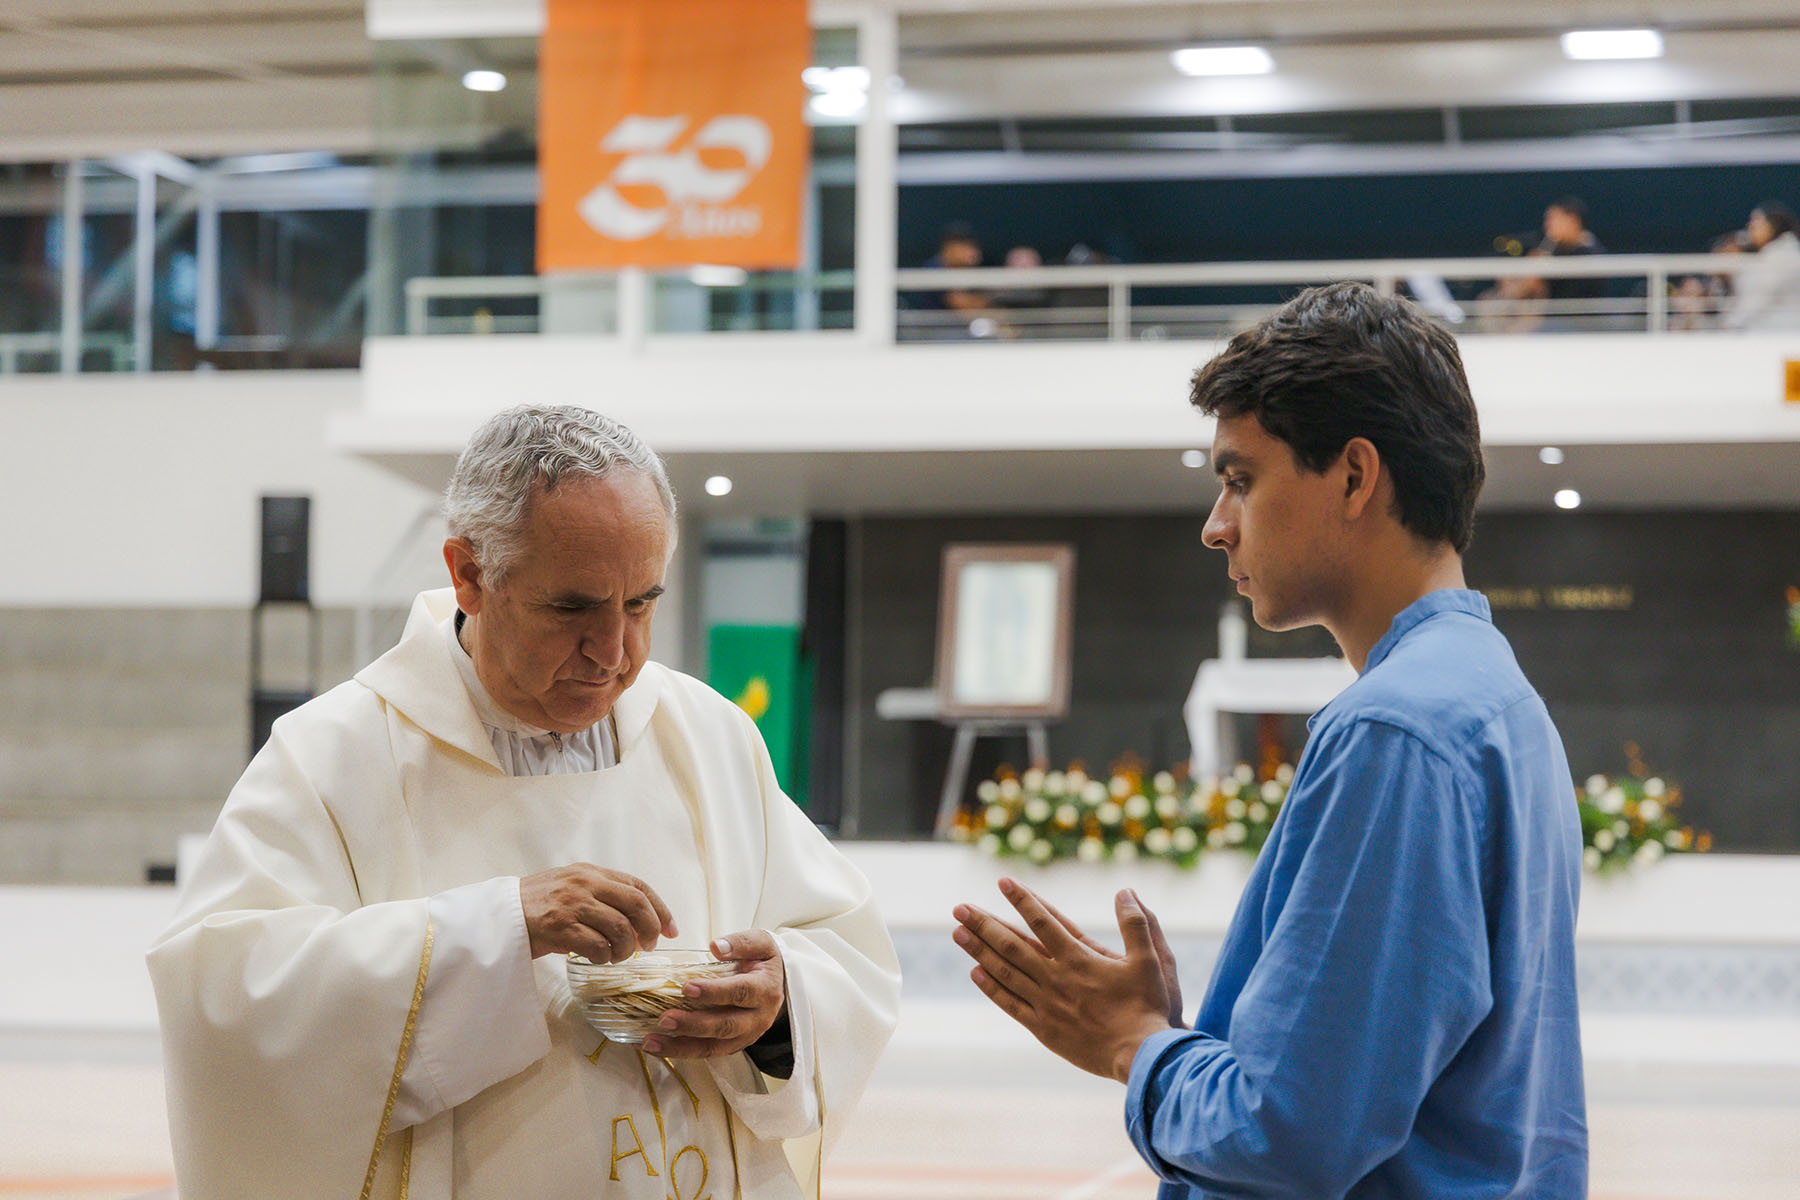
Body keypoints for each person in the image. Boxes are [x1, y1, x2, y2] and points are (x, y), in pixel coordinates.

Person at [149, 405, 900, 1199]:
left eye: (641, 602)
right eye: (572, 607)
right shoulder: (334, 755)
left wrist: (776, 1012)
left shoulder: (708, 735)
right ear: (469, 574)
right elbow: (229, 1003)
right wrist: (497, 929)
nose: (614, 653)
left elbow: (846, 951)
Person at [951, 282, 1587, 1198]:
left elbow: (1286, 1136)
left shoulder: (1395, 730)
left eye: (1241, 479)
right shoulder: (1498, 700)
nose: (1217, 526)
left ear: (1356, 477)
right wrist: (1184, 1040)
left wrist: (1137, 1047)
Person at [1727, 200, 1800, 331]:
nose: (1750, 227)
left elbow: (1758, 297)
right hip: (1775, 331)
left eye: (1756, 222)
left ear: (1772, 227)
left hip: (1777, 334)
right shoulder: (1778, 253)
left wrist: (1733, 324)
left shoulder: (1781, 257)